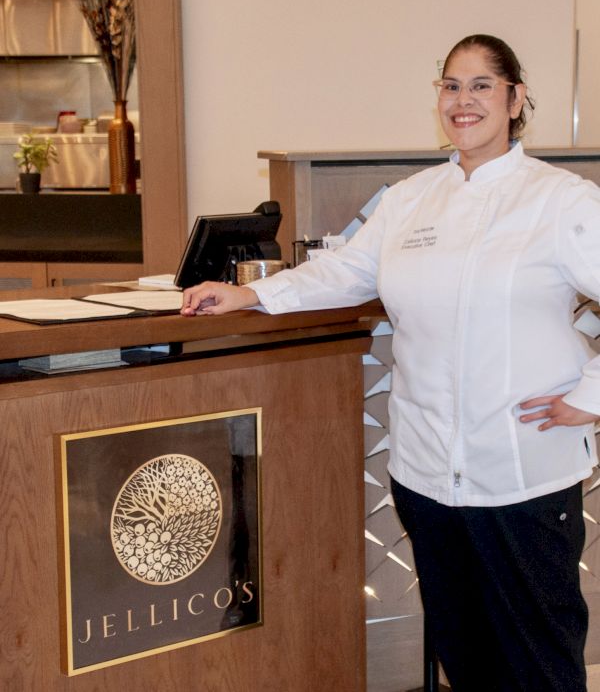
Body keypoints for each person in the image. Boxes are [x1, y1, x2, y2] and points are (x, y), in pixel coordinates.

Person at [181, 34, 600, 691]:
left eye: (483, 85)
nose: (464, 101)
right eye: (451, 85)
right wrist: (249, 293)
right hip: (427, 474)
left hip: (524, 476)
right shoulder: (410, 200)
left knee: (540, 662)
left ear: (517, 99)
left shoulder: (560, 200)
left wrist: (594, 393)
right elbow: (346, 271)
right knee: (466, 658)